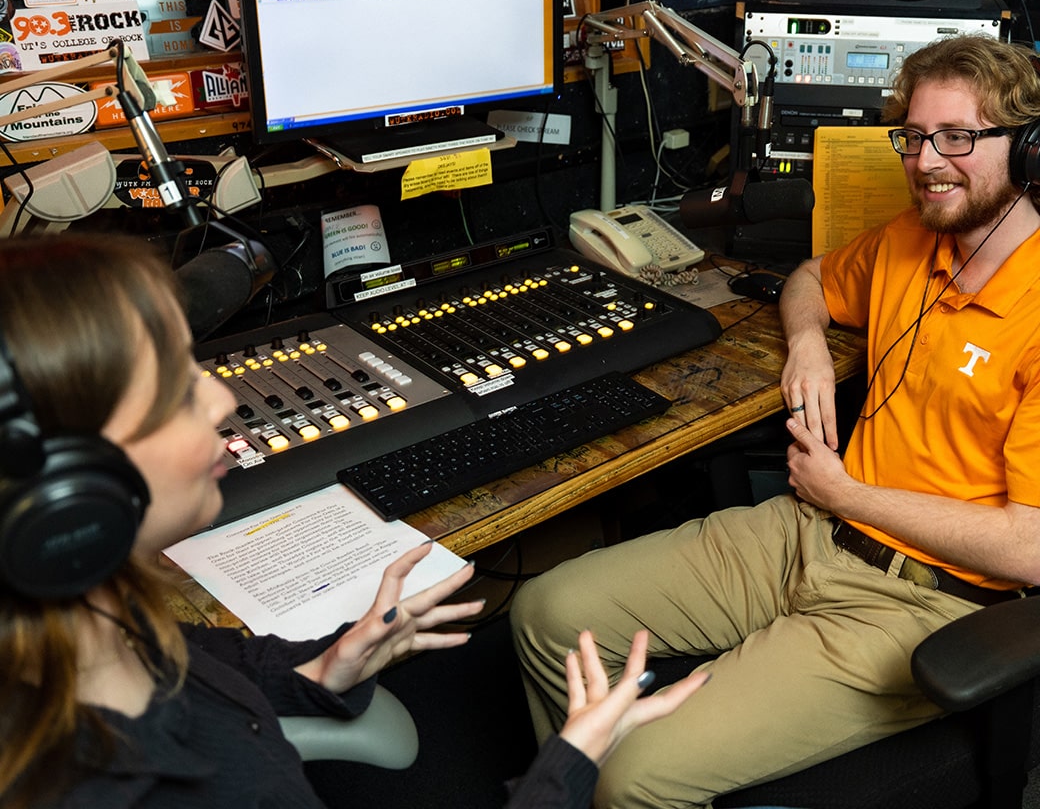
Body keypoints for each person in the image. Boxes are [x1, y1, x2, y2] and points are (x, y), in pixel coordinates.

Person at [510, 32, 1040, 808]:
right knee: (546, 613)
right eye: (915, 137)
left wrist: (845, 495)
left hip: (926, 601)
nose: (927, 161)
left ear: (1026, 151)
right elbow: (810, 278)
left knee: (634, 779)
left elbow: (1031, 547)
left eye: (958, 137)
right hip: (807, 530)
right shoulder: (913, 239)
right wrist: (807, 346)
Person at [0, 232, 710, 809]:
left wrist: (318, 670)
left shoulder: (100, 623)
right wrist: (573, 762)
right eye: (175, 391)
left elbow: (204, 660)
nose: (220, 402)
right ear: (68, 491)